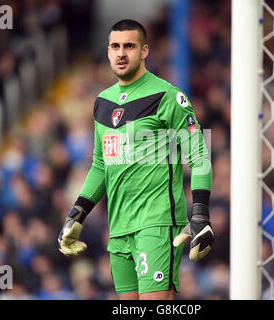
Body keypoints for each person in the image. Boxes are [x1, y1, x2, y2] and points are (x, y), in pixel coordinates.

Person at [57, 19, 214, 300]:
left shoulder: (168, 97)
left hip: (157, 222)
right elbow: (100, 165)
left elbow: (200, 155)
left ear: (144, 51)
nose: (121, 53)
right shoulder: (102, 102)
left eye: (129, 46)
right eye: (115, 46)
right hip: (118, 228)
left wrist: (200, 214)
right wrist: (76, 214)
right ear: (107, 52)